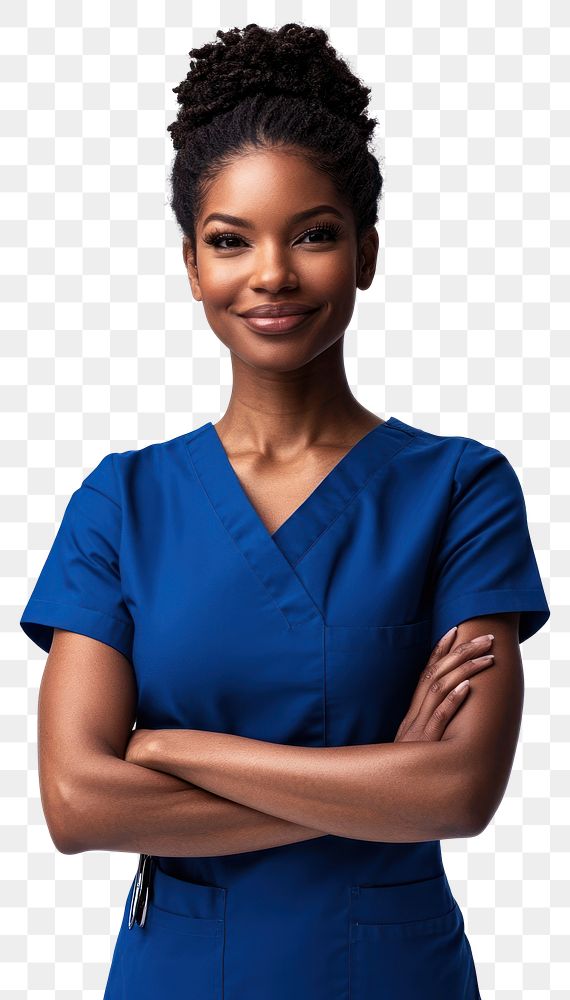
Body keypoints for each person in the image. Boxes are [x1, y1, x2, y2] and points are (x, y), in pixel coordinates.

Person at [19, 22, 550, 1000]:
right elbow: (77, 801)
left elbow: (461, 790)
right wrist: (379, 779)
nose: (271, 274)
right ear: (192, 265)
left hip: (391, 974)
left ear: (367, 252)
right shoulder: (122, 500)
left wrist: (173, 749)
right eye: (231, 240)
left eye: (313, 233)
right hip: (178, 974)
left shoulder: (462, 488)